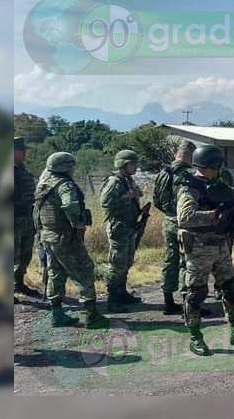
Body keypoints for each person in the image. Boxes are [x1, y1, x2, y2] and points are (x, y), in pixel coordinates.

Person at [176, 144, 234, 356]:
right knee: (196, 294)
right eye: (219, 165)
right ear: (213, 165)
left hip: (221, 247)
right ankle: (195, 337)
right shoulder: (189, 188)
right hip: (199, 248)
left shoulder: (218, 185)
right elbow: (185, 217)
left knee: (231, 289)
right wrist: (213, 215)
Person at [34, 152, 108, 328]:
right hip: (65, 237)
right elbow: (69, 205)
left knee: (55, 273)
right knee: (85, 270)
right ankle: (91, 315)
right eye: (72, 166)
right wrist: (78, 223)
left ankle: (57, 314)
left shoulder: (43, 183)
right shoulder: (65, 185)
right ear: (66, 167)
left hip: (48, 237)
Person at [153, 140, 196, 315]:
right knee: (188, 261)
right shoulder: (189, 174)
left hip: (168, 220)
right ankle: (188, 301)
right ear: (190, 155)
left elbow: (156, 200)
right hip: (183, 223)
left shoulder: (163, 173)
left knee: (170, 260)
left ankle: (168, 301)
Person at [100, 150, 143, 312]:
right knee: (116, 264)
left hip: (129, 226)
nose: (136, 167)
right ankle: (112, 299)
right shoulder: (114, 181)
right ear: (123, 164)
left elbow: (136, 193)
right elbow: (105, 202)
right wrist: (127, 197)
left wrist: (135, 194)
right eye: (133, 164)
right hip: (119, 227)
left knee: (126, 262)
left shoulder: (127, 179)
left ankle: (121, 293)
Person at [13, 137, 41, 299]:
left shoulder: (23, 170)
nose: (25, 153)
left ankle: (18, 285)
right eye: (22, 150)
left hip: (26, 218)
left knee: (24, 255)